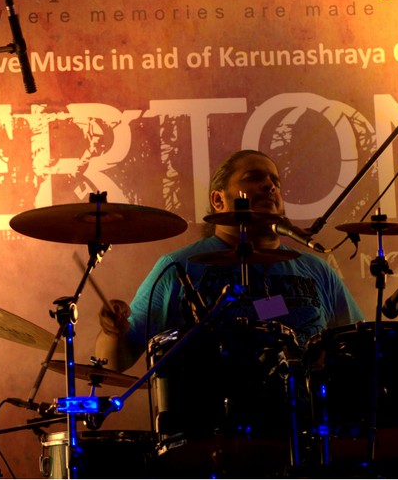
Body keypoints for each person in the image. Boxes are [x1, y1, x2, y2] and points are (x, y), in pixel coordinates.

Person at [94, 149, 364, 477]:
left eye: (275, 181)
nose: (270, 186)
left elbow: (356, 350)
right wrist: (112, 331)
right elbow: (117, 360)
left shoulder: (317, 270)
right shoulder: (179, 267)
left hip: (308, 442)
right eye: (254, 178)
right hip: (211, 445)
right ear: (218, 200)